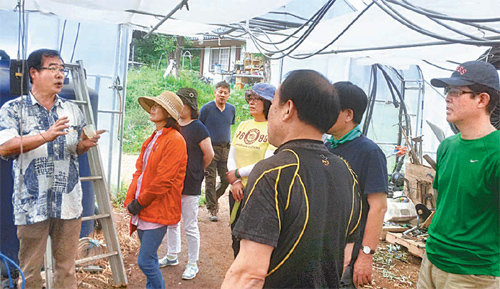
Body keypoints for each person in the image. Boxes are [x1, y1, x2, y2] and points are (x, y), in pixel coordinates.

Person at [221, 70, 362, 288]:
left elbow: (249, 274)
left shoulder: (273, 172)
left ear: (288, 109)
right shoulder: (347, 172)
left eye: (273, 105)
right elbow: (346, 253)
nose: (270, 114)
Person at [0, 48, 104, 289]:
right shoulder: (14, 109)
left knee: (66, 269)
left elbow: (74, 149)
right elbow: (5, 147)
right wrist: (45, 136)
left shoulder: (72, 110)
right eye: (53, 69)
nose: (60, 75)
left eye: (62, 69)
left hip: (67, 202)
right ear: (34, 73)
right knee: (30, 270)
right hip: (31, 204)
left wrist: (83, 146)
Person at [417, 61, 499, 288]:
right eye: (447, 91)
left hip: (473, 273)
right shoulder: (447, 146)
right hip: (432, 258)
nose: (447, 97)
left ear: (482, 99)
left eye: (456, 92)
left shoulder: (496, 152)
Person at [325, 81, 388, 287]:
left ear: (348, 114)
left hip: (346, 254)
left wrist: (366, 255)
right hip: (322, 247)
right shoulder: (325, 148)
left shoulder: (369, 152)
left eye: (331, 107)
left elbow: (378, 207)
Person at [123, 91, 187, 289]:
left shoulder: (175, 140)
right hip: (145, 206)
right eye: (152, 105)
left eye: (157, 106)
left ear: (168, 113)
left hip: (157, 208)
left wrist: (140, 201)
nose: (152, 108)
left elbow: (163, 180)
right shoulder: (154, 138)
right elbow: (140, 172)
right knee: (148, 257)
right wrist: (131, 198)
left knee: (145, 260)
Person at [158, 88, 214, 280]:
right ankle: (172, 255)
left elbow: (209, 154)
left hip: (190, 182)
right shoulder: (173, 125)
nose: (180, 107)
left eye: (182, 104)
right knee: (171, 221)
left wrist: (197, 171)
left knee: (190, 225)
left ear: (191, 107)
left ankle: (192, 263)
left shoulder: (198, 127)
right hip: (172, 182)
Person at [226, 83, 276, 257]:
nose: (252, 102)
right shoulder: (244, 125)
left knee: (252, 239)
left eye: (258, 99)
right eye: (250, 98)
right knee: (236, 235)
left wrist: (239, 174)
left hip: (257, 192)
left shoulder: (273, 128)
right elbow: (231, 155)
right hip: (237, 190)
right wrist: (236, 181)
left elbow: (266, 161)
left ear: (269, 103)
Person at [199, 81, 235, 221]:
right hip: (210, 148)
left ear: (228, 95)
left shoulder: (231, 109)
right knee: (210, 180)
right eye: (220, 92)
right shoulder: (206, 109)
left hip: (225, 148)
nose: (222, 95)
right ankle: (212, 209)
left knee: (226, 179)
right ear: (215, 92)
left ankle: (212, 198)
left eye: (225, 93)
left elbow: (228, 125)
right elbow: (200, 127)